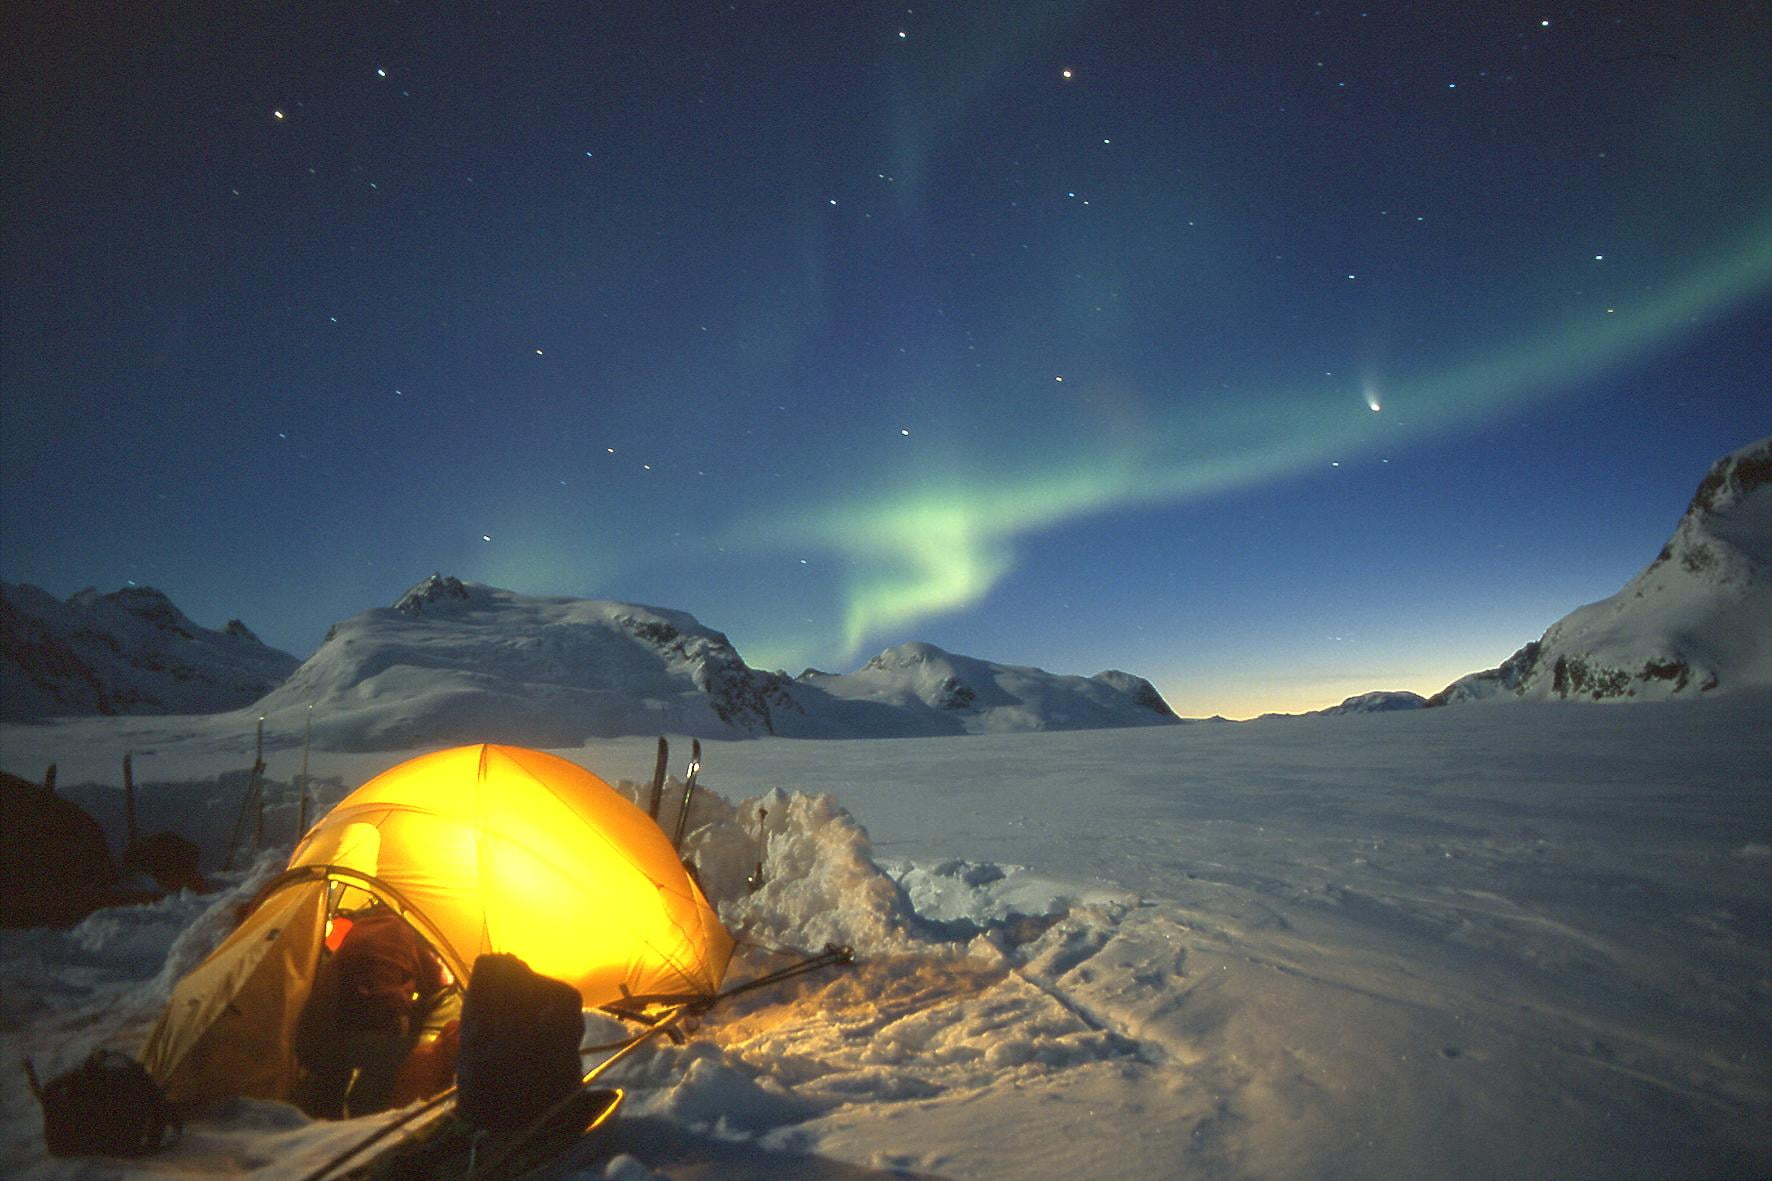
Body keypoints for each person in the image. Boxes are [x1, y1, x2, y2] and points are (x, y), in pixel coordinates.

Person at [292, 907, 459, 1118]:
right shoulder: (386, 945)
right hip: (330, 1038)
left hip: (345, 1033)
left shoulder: (406, 949)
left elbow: (429, 991)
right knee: (341, 1076)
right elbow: (314, 1046)